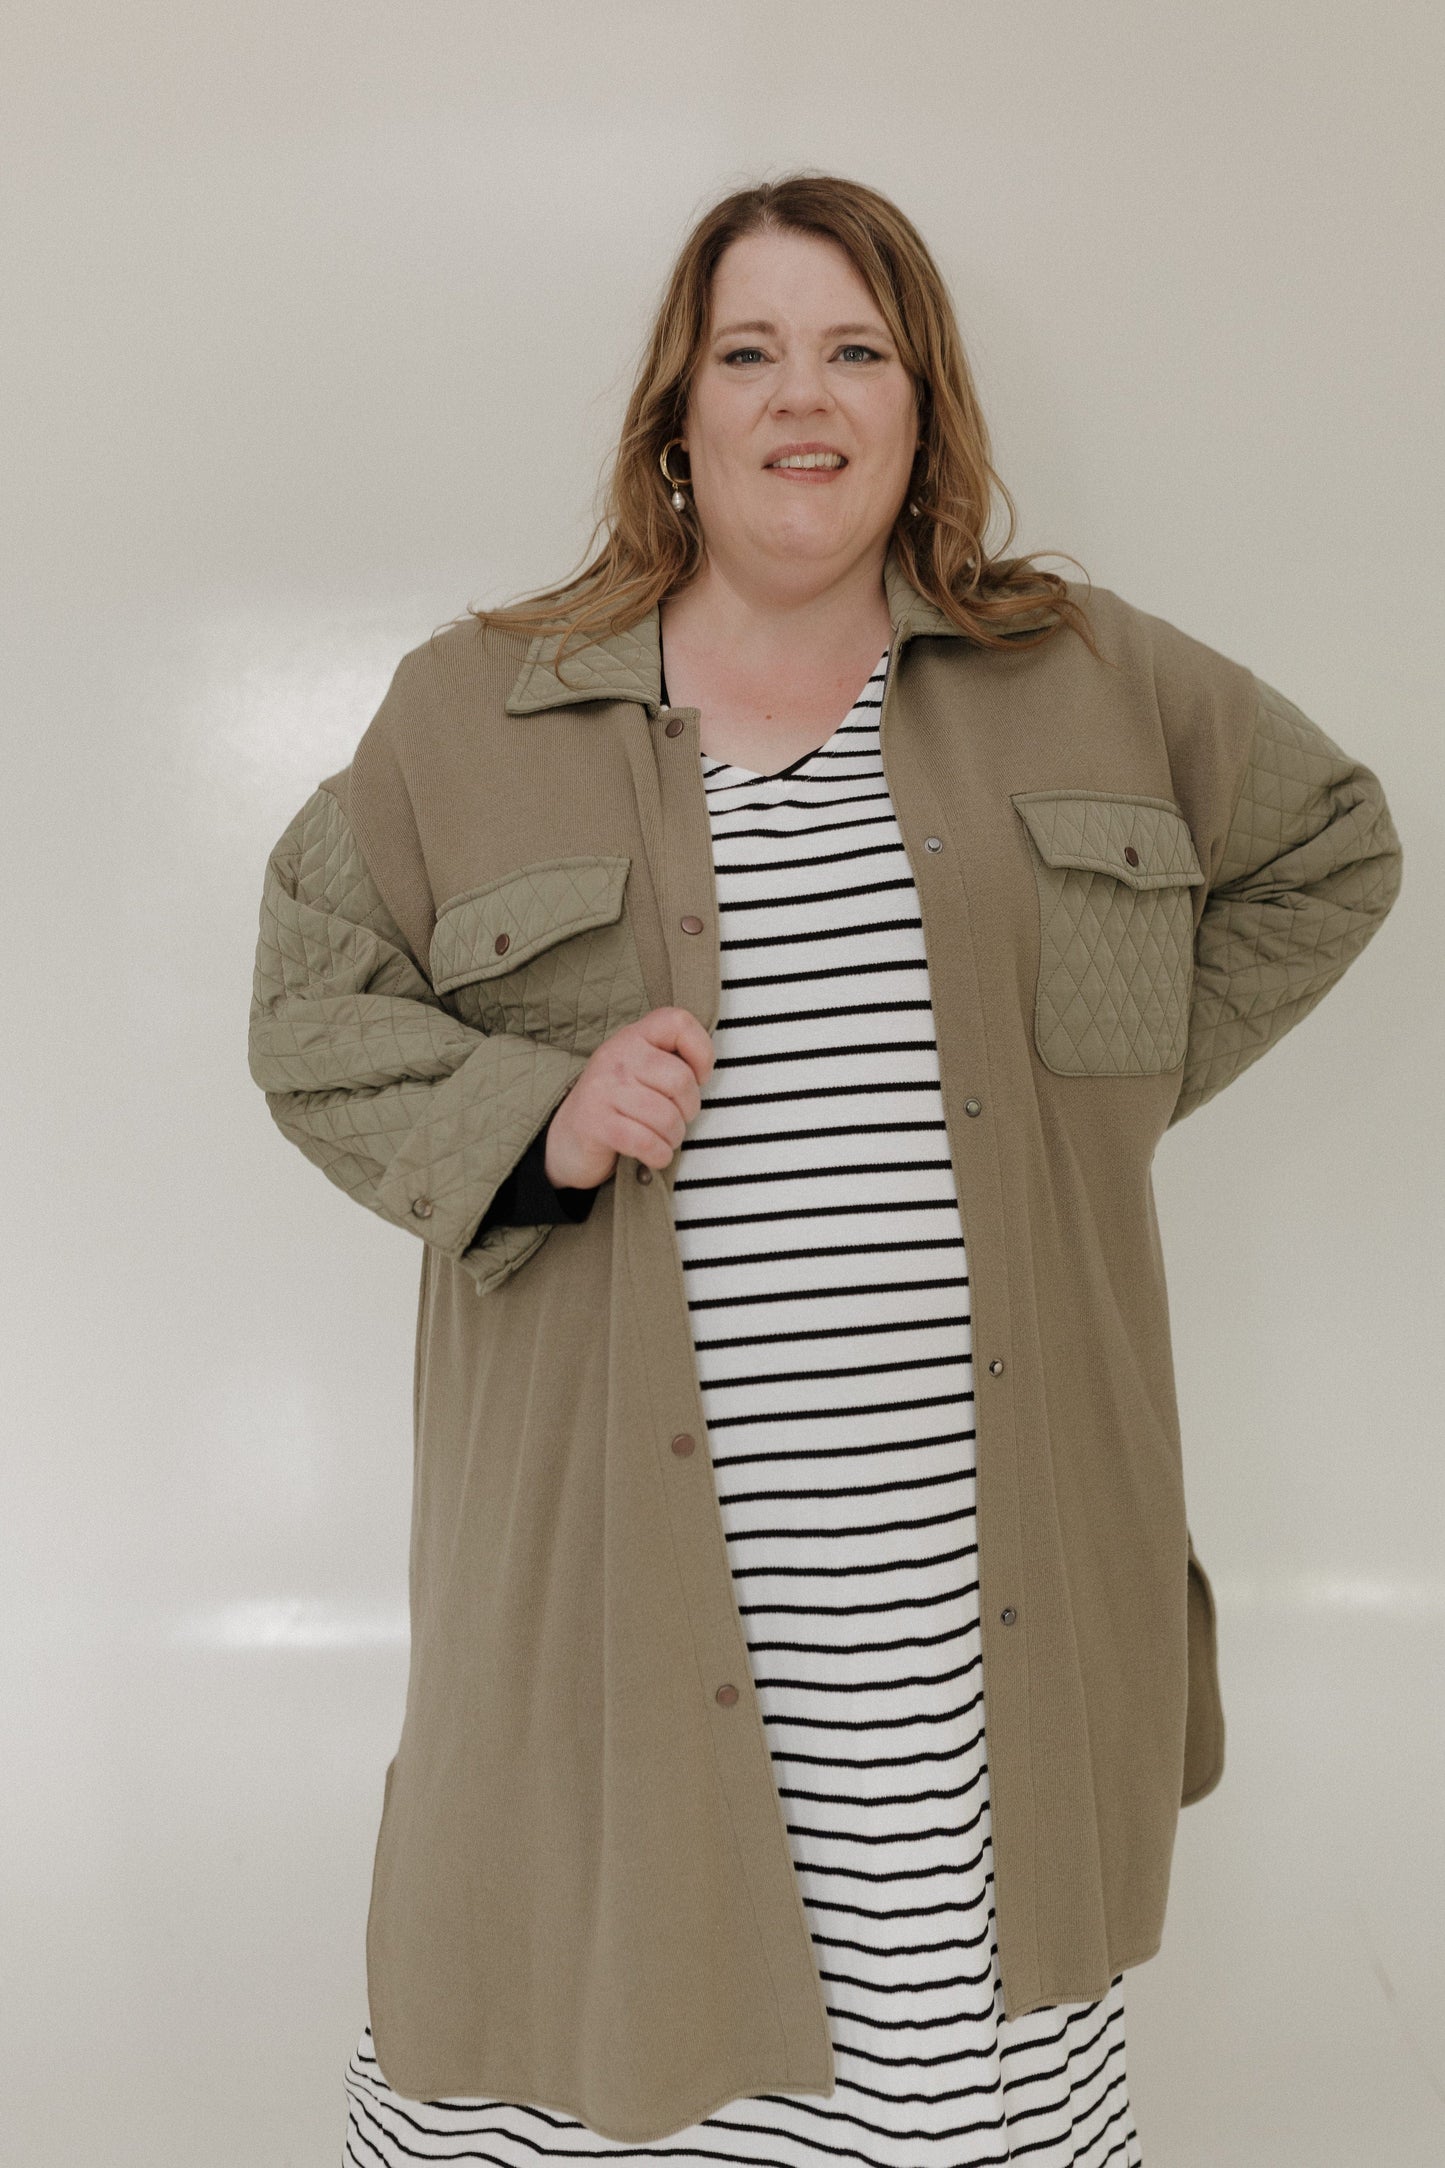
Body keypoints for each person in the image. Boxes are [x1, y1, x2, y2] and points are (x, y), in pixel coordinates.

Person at [247, 174, 1404, 2166]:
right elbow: (309, 1005)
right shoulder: (476, 706)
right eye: (751, 351)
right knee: (598, 2037)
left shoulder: (1092, 675)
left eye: (858, 349)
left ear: (923, 403)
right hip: (617, 1593)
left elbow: (1331, 848)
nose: (807, 396)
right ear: (675, 418)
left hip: (975, 1600)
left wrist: (1086, 1097)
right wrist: (539, 1117)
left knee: (946, 2066)